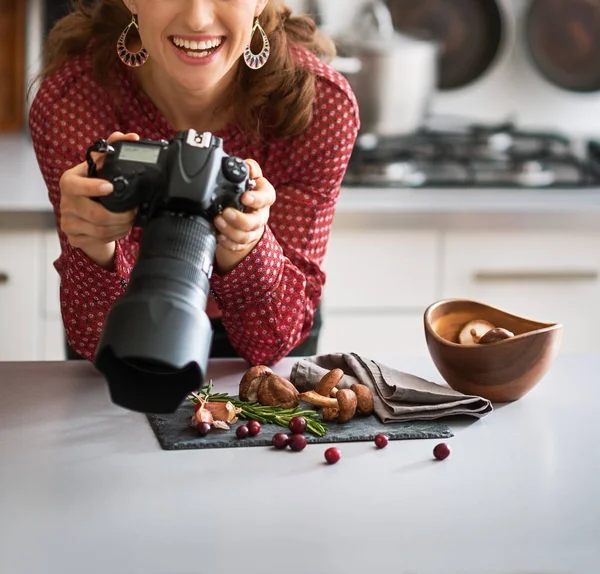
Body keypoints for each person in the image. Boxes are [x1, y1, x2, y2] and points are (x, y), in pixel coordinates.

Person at [29, 0, 359, 366]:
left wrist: (246, 244)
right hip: (126, 318)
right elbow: (96, 340)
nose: (198, 19)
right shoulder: (76, 100)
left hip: (265, 321)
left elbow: (272, 341)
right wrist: (95, 247)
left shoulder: (319, 104)